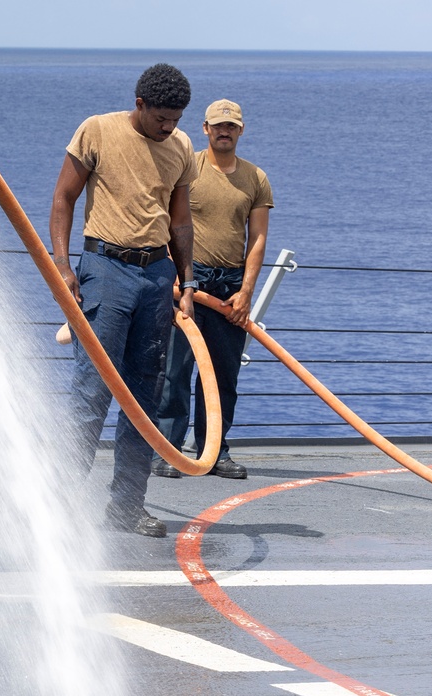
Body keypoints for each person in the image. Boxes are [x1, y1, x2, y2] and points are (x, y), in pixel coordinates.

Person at [49, 63, 198, 538]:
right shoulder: (97, 130)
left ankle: (127, 506)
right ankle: (59, 511)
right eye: (161, 118)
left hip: (157, 275)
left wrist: (188, 283)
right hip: (104, 268)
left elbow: (180, 221)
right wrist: (62, 266)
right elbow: (63, 198)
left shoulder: (182, 147)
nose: (168, 127)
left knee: (143, 399)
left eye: (175, 119)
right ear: (139, 104)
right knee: (90, 395)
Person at [152, 98, 273, 481]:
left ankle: (215, 451)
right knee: (175, 371)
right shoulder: (189, 168)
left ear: (240, 131)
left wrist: (246, 292)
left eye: (232, 126)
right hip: (188, 280)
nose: (225, 131)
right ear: (205, 129)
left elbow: (257, 239)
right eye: (218, 125)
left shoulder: (255, 179)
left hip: (229, 286)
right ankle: (168, 451)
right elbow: (171, 221)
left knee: (223, 375)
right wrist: (174, 274)